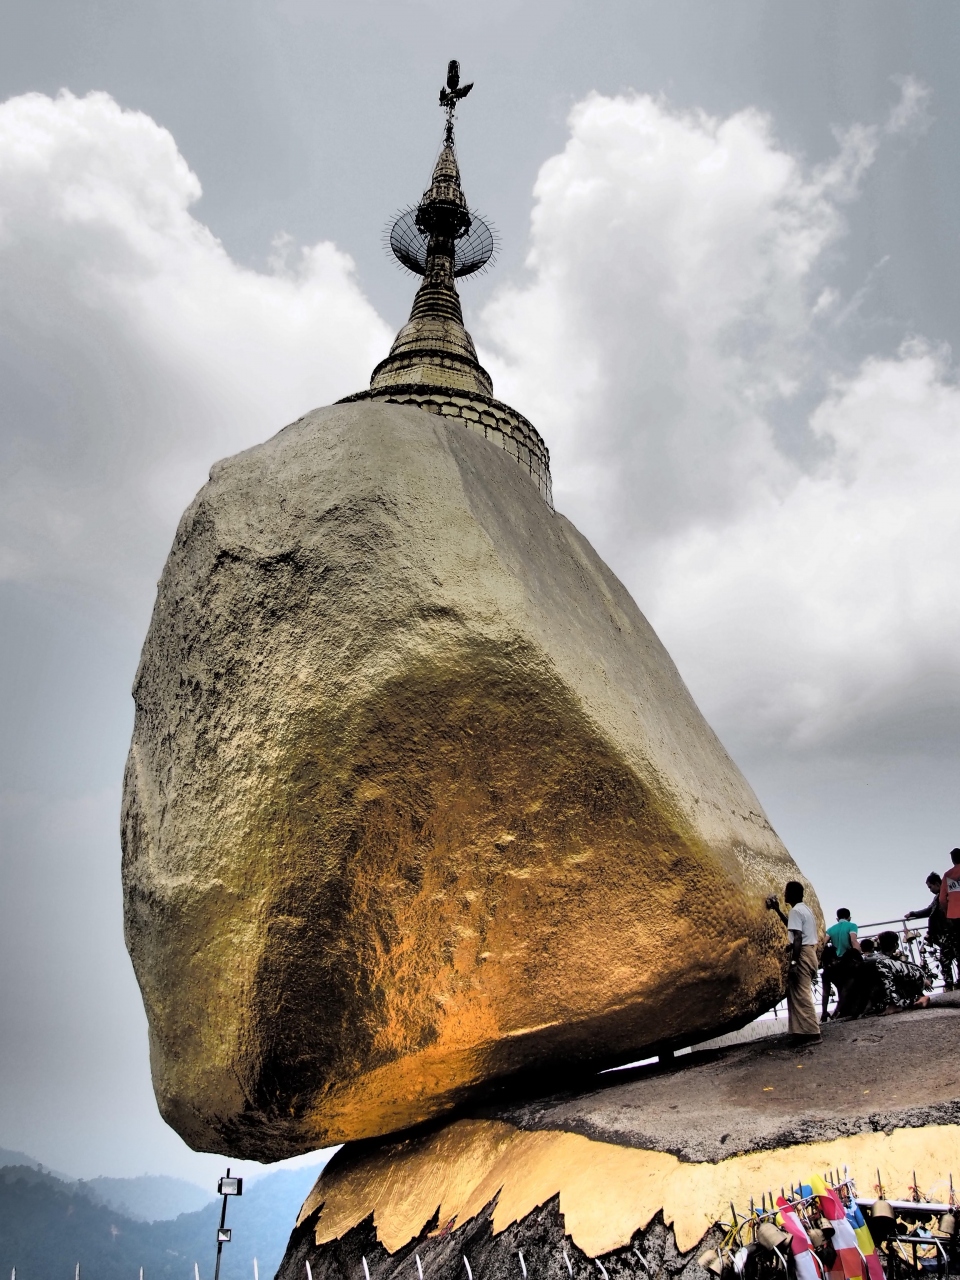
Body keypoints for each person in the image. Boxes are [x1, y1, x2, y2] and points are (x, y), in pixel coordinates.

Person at [766, 881, 822, 1044]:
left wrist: (794, 963)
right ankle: (800, 1033)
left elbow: (798, 937)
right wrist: (777, 909)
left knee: (802, 994)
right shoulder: (805, 910)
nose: (784, 895)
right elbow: (793, 928)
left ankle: (812, 1034)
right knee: (796, 993)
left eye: (786, 892)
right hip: (810, 952)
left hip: (803, 954)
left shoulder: (796, 911)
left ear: (792, 893)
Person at [906, 872, 953, 990]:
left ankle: (950, 983)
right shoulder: (942, 896)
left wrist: (913, 913)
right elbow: (929, 910)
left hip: (949, 932)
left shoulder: (943, 896)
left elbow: (929, 911)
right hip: (949, 931)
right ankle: (951, 983)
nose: (930, 890)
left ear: (937, 884)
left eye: (930, 887)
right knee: (948, 958)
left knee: (945, 958)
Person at [821, 908, 862, 1020]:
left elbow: (823, 943)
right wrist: (859, 953)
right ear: (849, 918)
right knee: (847, 985)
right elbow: (853, 941)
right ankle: (838, 1011)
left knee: (828, 988)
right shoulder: (852, 926)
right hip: (847, 961)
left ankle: (824, 1013)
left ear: (837, 918)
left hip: (833, 962)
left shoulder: (831, 929)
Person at [938, 849, 960, 989]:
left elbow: (942, 899)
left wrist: (948, 912)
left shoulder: (948, 875)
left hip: (955, 916)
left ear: (952, 860)